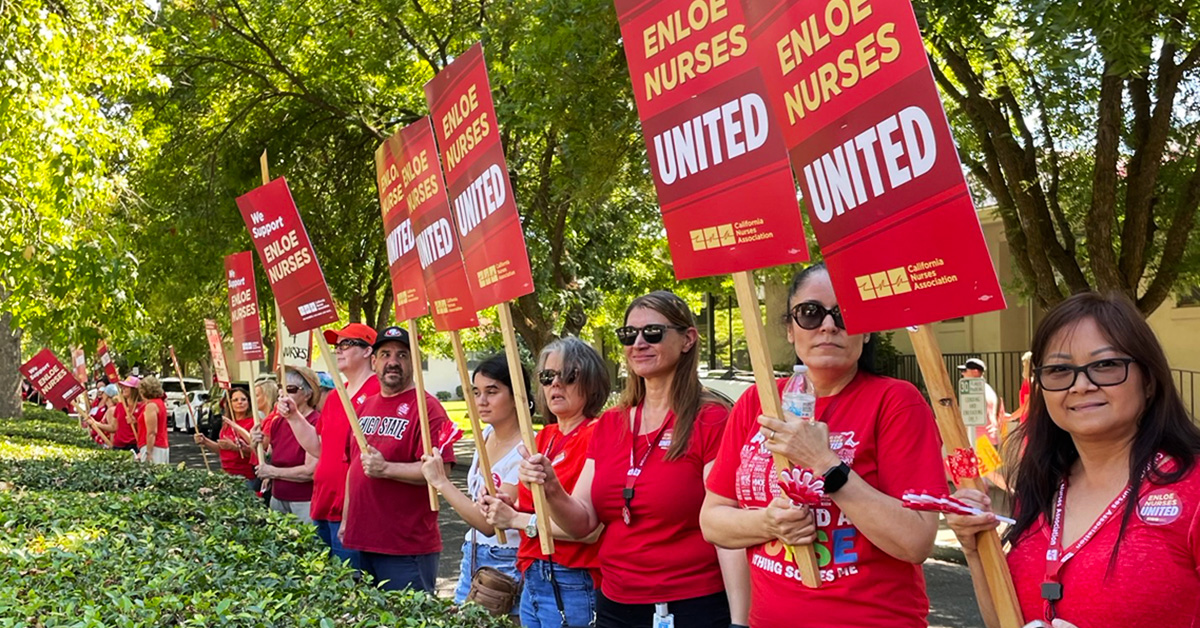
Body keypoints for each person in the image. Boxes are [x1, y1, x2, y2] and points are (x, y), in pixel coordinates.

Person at [700, 263, 946, 628]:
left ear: (866, 333)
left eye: (844, 314)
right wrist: (768, 522)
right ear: (790, 328)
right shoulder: (758, 402)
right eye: (810, 313)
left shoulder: (895, 402)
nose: (828, 325)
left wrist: (826, 463)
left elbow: (916, 541)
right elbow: (712, 521)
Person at [947, 292, 1200, 628]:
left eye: (1106, 365)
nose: (1081, 385)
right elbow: (1004, 621)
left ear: (1149, 380)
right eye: (1059, 370)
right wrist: (976, 548)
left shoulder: (1192, 488)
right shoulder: (1042, 486)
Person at [519, 292, 741, 628]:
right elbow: (582, 523)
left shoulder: (712, 419)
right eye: (628, 335)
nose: (638, 343)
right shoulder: (611, 423)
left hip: (692, 603)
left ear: (687, 339)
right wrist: (550, 487)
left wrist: (740, 621)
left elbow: (729, 530)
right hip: (615, 602)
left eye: (652, 332)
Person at [480, 336, 608, 628]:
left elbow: (589, 529)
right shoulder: (545, 436)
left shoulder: (599, 433)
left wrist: (515, 519)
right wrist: (504, 502)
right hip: (534, 572)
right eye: (548, 376)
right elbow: (531, 505)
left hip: (573, 577)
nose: (555, 384)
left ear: (591, 380)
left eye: (569, 375)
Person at [338, 325, 455, 592]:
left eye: (402, 355)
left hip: (406, 548)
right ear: (374, 360)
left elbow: (442, 471)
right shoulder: (364, 405)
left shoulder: (428, 410)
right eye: (386, 354)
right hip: (361, 541)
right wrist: (346, 519)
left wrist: (387, 468)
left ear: (414, 361)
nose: (393, 362)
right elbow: (353, 467)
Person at [421, 354, 529, 605]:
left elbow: (489, 523)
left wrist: (442, 483)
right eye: (476, 392)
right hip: (472, 552)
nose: (482, 401)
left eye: (492, 391)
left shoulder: (525, 449)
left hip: (505, 560)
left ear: (516, 396)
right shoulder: (486, 434)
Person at [285, 323, 380, 568]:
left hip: (351, 513)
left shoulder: (377, 393)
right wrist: (294, 417)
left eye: (346, 344)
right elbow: (319, 446)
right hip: (322, 505)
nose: (337, 350)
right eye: (336, 345)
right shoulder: (337, 394)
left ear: (368, 351)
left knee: (352, 589)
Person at [258, 366, 321, 523]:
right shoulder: (277, 422)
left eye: (290, 389)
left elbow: (310, 472)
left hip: (304, 502)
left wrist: (272, 472)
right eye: (280, 387)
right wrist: (255, 445)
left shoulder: (317, 422)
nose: (282, 393)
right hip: (277, 498)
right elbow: (269, 458)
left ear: (307, 394)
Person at [195, 386, 258, 489]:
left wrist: (235, 448)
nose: (240, 402)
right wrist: (205, 441)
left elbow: (257, 453)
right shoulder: (227, 424)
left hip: (245, 476)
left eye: (243, 399)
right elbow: (222, 449)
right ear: (230, 404)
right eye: (235, 400)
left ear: (249, 402)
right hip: (226, 474)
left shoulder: (254, 422)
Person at [959, 358, 1005, 444]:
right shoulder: (987, 388)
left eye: (965, 370)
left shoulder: (978, 392)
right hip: (988, 438)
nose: (962, 373)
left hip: (980, 441)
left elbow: (972, 416)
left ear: (975, 372)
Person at [135, 376, 170, 464]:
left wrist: (148, 452)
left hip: (153, 446)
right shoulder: (160, 403)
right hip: (162, 445)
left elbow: (151, 432)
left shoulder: (151, 406)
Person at [111, 377, 141, 455]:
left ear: (134, 390)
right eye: (123, 386)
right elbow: (113, 427)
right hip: (118, 446)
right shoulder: (120, 406)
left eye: (126, 387)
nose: (123, 388)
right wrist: (95, 424)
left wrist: (135, 422)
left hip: (135, 446)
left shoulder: (142, 407)